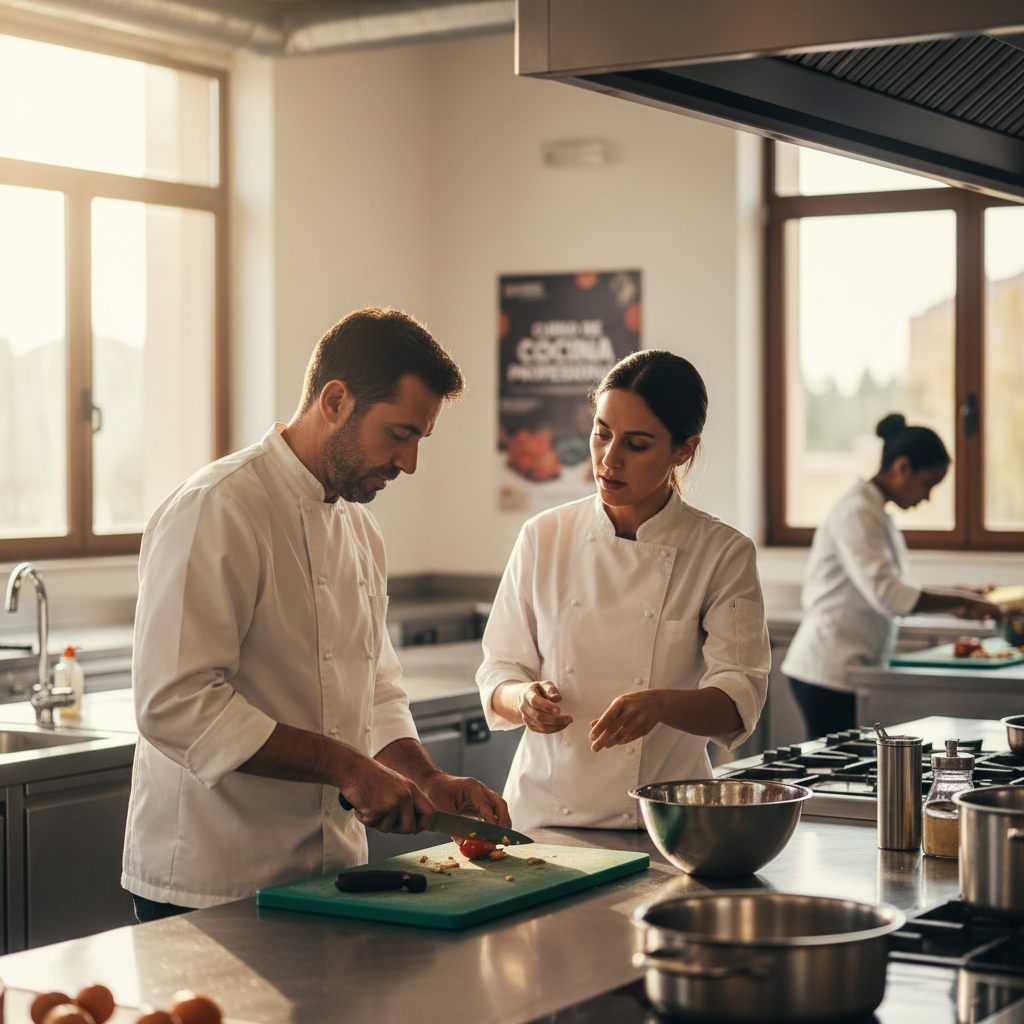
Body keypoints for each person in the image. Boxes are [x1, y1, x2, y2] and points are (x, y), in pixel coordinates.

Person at [123, 307, 510, 921]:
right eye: (399, 434)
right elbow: (174, 702)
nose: (408, 463)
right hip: (213, 882)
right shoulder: (217, 509)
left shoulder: (361, 528)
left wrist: (427, 779)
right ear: (335, 401)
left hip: (334, 875)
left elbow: (376, 691)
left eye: (418, 440)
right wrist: (348, 767)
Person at [475, 350, 769, 833]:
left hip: (664, 822)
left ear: (683, 450)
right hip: (544, 819)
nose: (609, 459)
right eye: (601, 433)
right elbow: (499, 669)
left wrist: (660, 704)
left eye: (637, 444)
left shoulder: (722, 553)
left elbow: (738, 699)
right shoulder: (543, 536)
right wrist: (522, 698)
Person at [782, 413, 1002, 740]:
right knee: (834, 775)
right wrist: (961, 599)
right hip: (826, 670)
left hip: (847, 668)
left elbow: (893, 587)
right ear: (902, 467)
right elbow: (889, 595)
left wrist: (957, 599)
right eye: (928, 484)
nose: (926, 497)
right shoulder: (857, 512)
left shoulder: (875, 513)